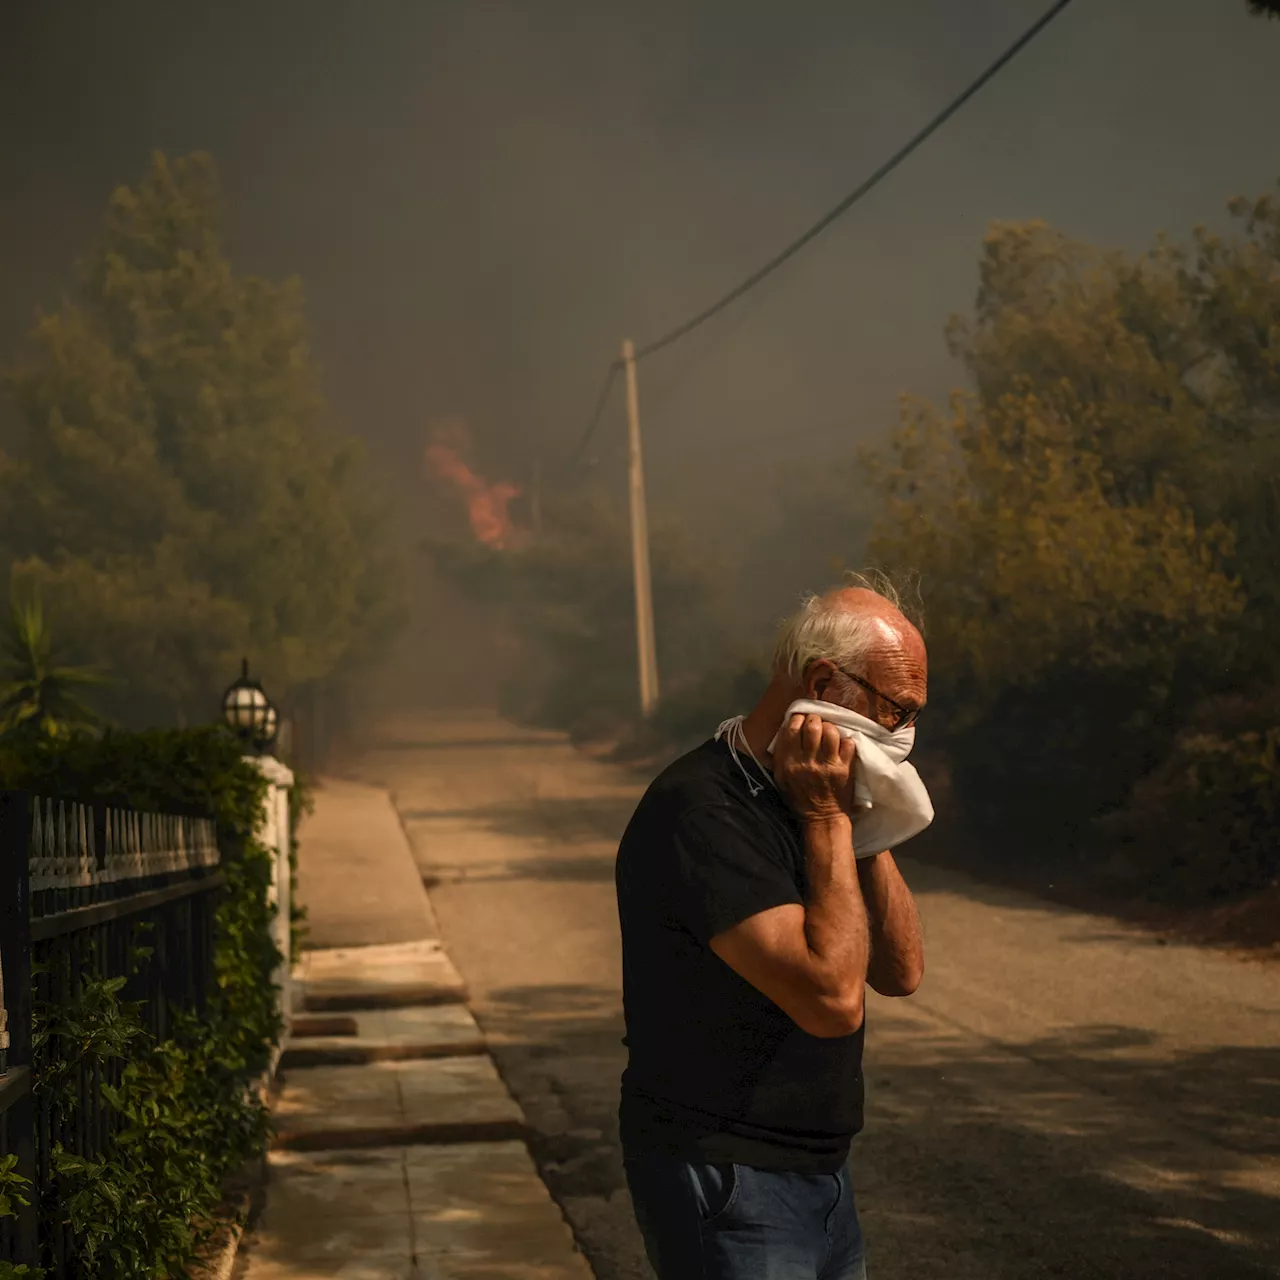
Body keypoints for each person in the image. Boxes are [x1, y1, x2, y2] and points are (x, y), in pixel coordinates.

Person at [614, 576, 928, 1278]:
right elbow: (833, 1001)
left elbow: (901, 971)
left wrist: (865, 821)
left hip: (819, 1173)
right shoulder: (703, 811)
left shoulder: (820, 794)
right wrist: (824, 819)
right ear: (825, 681)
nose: (905, 735)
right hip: (727, 1170)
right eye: (897, 711)